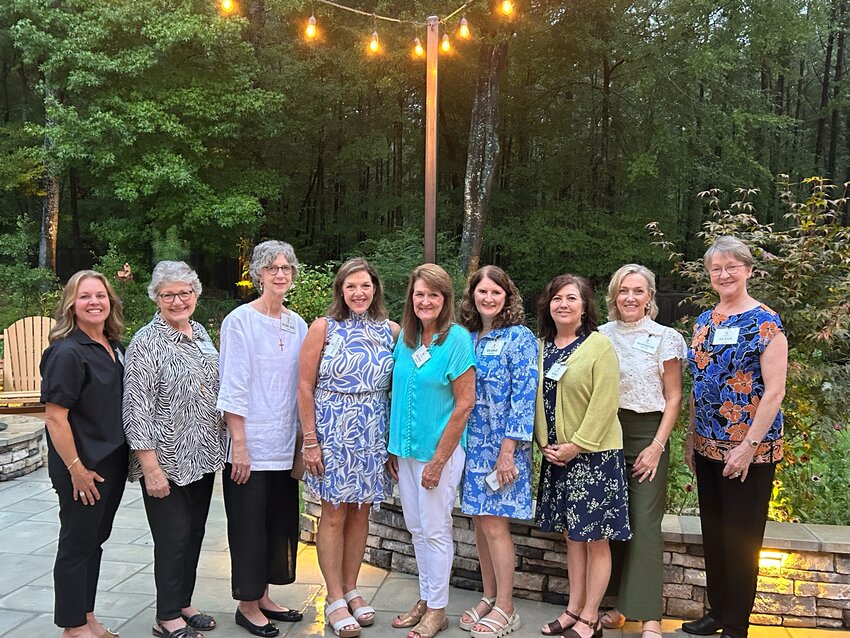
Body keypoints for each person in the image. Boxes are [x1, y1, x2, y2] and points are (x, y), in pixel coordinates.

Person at [682, 236, 787, 638]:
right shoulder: (704, 322)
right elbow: (700, 382)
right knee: (714, 531)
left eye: (731, 266)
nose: (724, 274)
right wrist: (691, 438)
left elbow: (774, 391)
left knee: (742, 539)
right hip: (707, 445)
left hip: (750, 452)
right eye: (716, 269)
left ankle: (737, 625)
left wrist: (747, 447)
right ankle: (717, 612)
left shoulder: (766, 321)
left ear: (748, 270)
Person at [297, 258, 399, 638]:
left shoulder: (390, 331)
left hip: (372, 429)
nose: (359, 293)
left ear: (375, 289)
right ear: (341, 290)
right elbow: (304, 387)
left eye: (365, 286)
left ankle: (353, 588)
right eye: (351, 286)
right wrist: (311, 441)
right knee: (335, 513)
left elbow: (397, 388)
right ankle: (334, 596)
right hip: (332, 430)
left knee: (361, 513)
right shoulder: (324, 328)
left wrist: (392, 445)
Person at [123, 261, 225, 638]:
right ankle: (166, 617)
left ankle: (183, 602)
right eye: (169, 295)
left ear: (195, 295)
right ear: (156, 298)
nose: (178, 301)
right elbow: (135, 407)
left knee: (194, 533)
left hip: (201, 456)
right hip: (165, 460)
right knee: (172, 537)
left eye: (185, 293)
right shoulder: (146, 342)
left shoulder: (199, 332)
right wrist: (150, 467)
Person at [217, 241, 309, 638]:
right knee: (249, 526)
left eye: (286, 267)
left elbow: (304, 387)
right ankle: (247, 604)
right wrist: (239, 444)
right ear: (258, 274)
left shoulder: (298, 324)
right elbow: (233, 384)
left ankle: (266, 596)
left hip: (283, 442)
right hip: (249, 444)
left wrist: (304, 444)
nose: (280, 273)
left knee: (277, 525)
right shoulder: (239, 320)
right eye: (272, 267)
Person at [534, 274, 630, 638]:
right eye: (557, 298)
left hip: (594, 457)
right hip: (556, 457)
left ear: (585, 306)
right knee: (572, 537)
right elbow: (537, 401)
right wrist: (544, 443)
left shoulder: (598, 346)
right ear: (549, 305)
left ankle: (591, 616)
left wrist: (578, 445)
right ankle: (573, 608)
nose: (563, 304)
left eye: (571, 298)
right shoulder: (544, 346)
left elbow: (605, 403)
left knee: (595, 538)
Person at [387, 264, 476, 638]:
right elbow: (399, 393)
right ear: (412, 297)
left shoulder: (455, 339)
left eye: (434, 295)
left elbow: (465, 404)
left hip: (438, 453)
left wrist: (439, 461)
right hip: (406, 452)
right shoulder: (406, 339)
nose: (426, 301)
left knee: (436, 530)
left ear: (445, 300)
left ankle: (438, 610)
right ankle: (425, 598)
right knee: (417, 529)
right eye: (420, 294)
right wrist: (394, 448)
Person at [598, 265, 686, 638]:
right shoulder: (600, 336)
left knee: (646, 524)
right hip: (606, 432)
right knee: (613, 522)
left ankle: (649, 614)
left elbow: (674, 396)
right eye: (623, 291)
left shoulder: (665, 337)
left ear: (650, 296)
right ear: (614, 296)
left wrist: (657, 445)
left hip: (649, 432)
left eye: (638, 291)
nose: (630, 298)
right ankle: (620, 605)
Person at [40, 270, 128, 638]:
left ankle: (86, 617)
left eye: (101, 295)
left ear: (110, 302)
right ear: (71, 305)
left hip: (110, 462)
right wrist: (76, 468)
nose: (94, 302)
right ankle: (73, 627)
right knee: (77, 543)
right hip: (82, 465)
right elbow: (54, 417)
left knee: (94, 541)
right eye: (84, 296)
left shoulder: (113, 346)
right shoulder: (67, 352)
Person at [457, 266, 538, 638]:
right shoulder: (469, 336)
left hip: (501, 445)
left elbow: (524, 396)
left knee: (495, 522)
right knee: (478, 519)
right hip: (470, 443)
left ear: (508, 297)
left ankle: (507, 606)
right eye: (482, 292)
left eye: (496, 292)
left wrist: (509, 451)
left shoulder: (518, 337)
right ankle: (489, 596)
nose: (488, 298)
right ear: (472, 294)